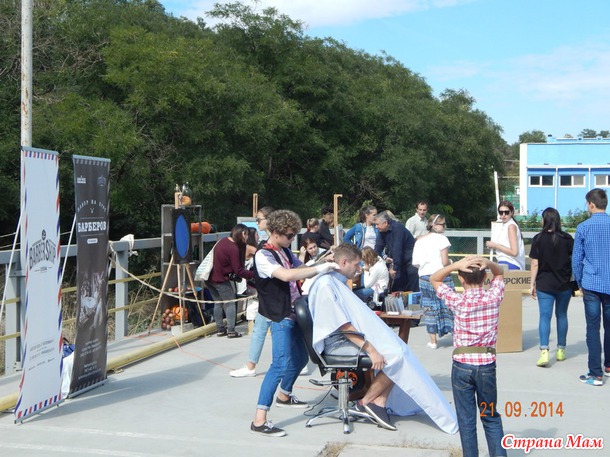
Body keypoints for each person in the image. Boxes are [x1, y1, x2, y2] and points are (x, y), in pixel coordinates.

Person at [308, 243, 458, 434]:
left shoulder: (334, 281)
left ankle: (378, 401)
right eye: (356, 264)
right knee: (395, 357)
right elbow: (342, 326)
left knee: (400, 350)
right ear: (344, 262)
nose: (359, 269)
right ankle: (367, 402)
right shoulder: (326, 285)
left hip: (346, 339)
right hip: (336, 345)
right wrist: (372, 350)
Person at [250, 209, 339, 437]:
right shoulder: (263, 255)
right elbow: (287, 275)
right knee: (279, 365)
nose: (292, 239)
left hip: (294, 312)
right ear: (275, 232)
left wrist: (324, 260)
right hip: (279, 315)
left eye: (293, 235)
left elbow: (300, 269)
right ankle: (259, 419)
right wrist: (321, 267)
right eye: (289, 235)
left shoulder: (284, 250)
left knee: (301, 358)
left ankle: (284, 395)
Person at [431, 256, 507, 457]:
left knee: (466, 420)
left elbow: (434, 279)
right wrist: (488, 264)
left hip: (462, 365)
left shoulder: (458, 300)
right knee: (490, 416)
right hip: (487, 365)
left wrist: (455, 265)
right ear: (485, 278)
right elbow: (500, 273)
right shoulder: (493, 297)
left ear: (461, 279)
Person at [572, 188, 610, 386]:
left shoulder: (583, 227)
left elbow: (576, 259)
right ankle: (609, 366)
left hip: (592, 284)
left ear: (591, 204)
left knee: (593, 328)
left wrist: (579, 282)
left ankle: (595, 373)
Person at [230, 207, 274, 377]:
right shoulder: (264, 243)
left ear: (268, 220)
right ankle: (251, 366)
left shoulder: (274, 243)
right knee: (259, 330)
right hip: (265, 294)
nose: (256, 222)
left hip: (274, 295)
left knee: (282, 332)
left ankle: (294, 364)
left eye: (259, 219)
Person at [529, 207, 574, 367]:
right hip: (564, 283)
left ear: (545, 220)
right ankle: (561, 349)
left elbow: (535, 263)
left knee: (544, 316)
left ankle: (544, 351)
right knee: (562, 315)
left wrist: (532, 283)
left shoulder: (538, 238)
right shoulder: (567, 238)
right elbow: (573, 260)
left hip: (544, 283)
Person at [412, 214, 454, 349]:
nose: (444, 227)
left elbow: (416, 263)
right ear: (434, 225)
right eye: (442, 224)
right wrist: (451, 262)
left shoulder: (419, 241)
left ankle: (433, 341)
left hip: (425, 277)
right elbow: (445, 261)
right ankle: (456, 335)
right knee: (449, 305)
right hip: (441, 275)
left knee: (429, 307)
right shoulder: (442, 239)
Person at [207, 224, 253, 338]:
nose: (247, 238)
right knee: (230, 303)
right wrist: (253, 275)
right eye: (247, 235)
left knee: (218, 303)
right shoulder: (233, 248)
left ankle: (220, 329)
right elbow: (239, 270)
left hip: (209, 278)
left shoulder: (223, 241)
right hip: (220, 279)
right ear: (242, 234)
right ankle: (231, 330)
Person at [374, 210, 419, 292]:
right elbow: (378, 248)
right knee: (395, 290)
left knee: (412, 289)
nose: (376, 227)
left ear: (385, 223)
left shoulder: (398, 228)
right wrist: (373, 261)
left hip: (411, 261)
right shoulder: (382, 231)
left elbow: (397, 249)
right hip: (400, 261)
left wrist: (394, 269)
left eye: (377, 224)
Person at [486, 200, 525, 270]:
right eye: (501, 212)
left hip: (511, 263)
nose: (503, 215)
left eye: (506, 212)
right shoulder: (504, 225)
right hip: (504, 262)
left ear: (512, 212)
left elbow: (514, 252)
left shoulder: (511, 226)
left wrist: (496, 245)